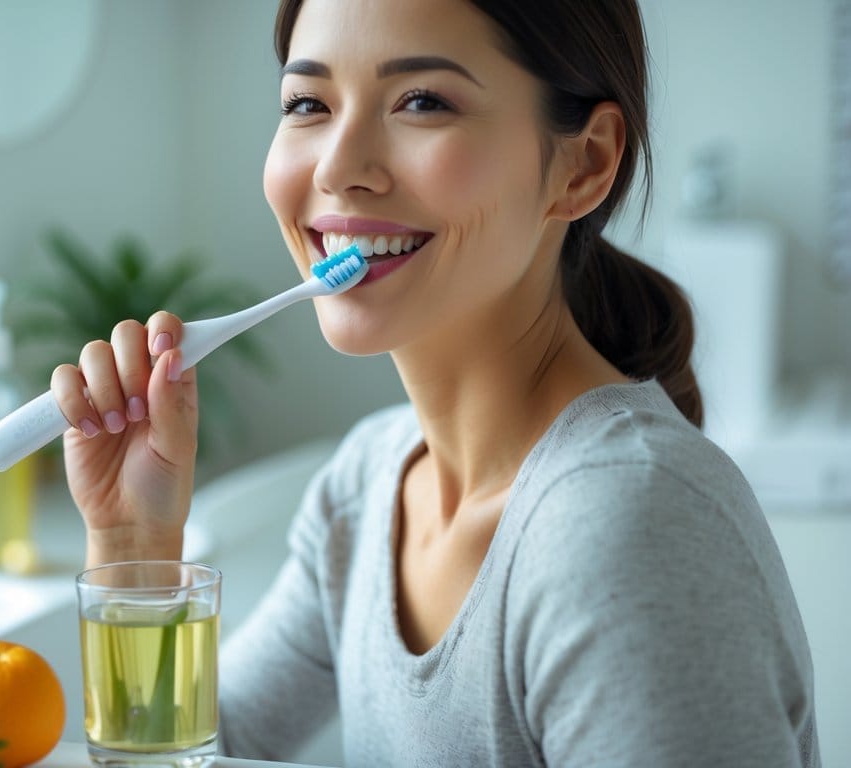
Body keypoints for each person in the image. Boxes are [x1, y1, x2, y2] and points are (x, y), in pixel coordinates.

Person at [48, 0, 821, 764]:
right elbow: (181, 755)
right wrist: (134, 548)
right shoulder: (365, 488)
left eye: (422, 101)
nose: (337, 168)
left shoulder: (623, 522)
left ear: (582, 164)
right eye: (307, 103)